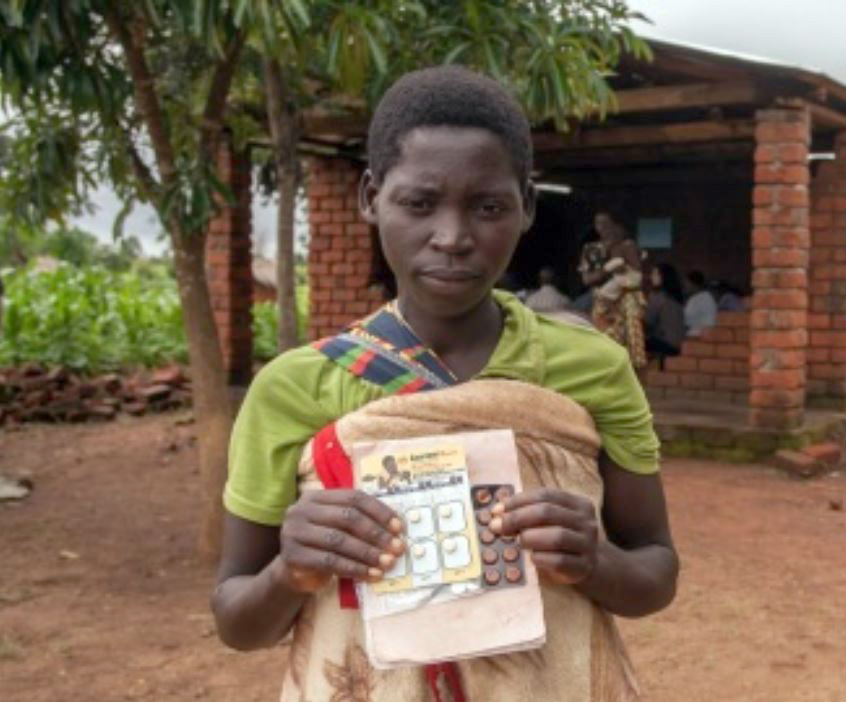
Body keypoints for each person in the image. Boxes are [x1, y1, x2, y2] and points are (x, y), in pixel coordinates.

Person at [212, 66, 678, 701]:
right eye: (419, 203)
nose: (454, 237)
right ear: (371, 197)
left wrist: (597, 561)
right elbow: (237, 619)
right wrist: (289, 571)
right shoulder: (295, 387)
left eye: (488, 207)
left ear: (527, 206)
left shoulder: (590, 368)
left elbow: (655, 569)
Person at [579, 211, 647, 369]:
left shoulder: (628, 246)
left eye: (606, 223)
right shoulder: (591, 249)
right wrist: (607, 270)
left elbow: (638, 276)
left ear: (617, 226)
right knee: (604, 346)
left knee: (631, 348)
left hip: (627, 300)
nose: (602, 228)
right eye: (598, 223)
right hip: (602, 302)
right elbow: (587, 279)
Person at [644, 263, 685, 366]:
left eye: (655, 274)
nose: (651, 277)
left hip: (664, 343)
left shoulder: (658, 296)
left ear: (663, 277)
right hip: (677, 345)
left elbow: (648, 321)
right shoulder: (675, 296)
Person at [683, 270, 718, 336]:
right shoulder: (705, 297)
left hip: (698, 335)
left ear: (693, 283)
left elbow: (686, 320)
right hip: (702, 333)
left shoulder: (698, 299)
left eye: (686, 283)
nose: (684, 286)